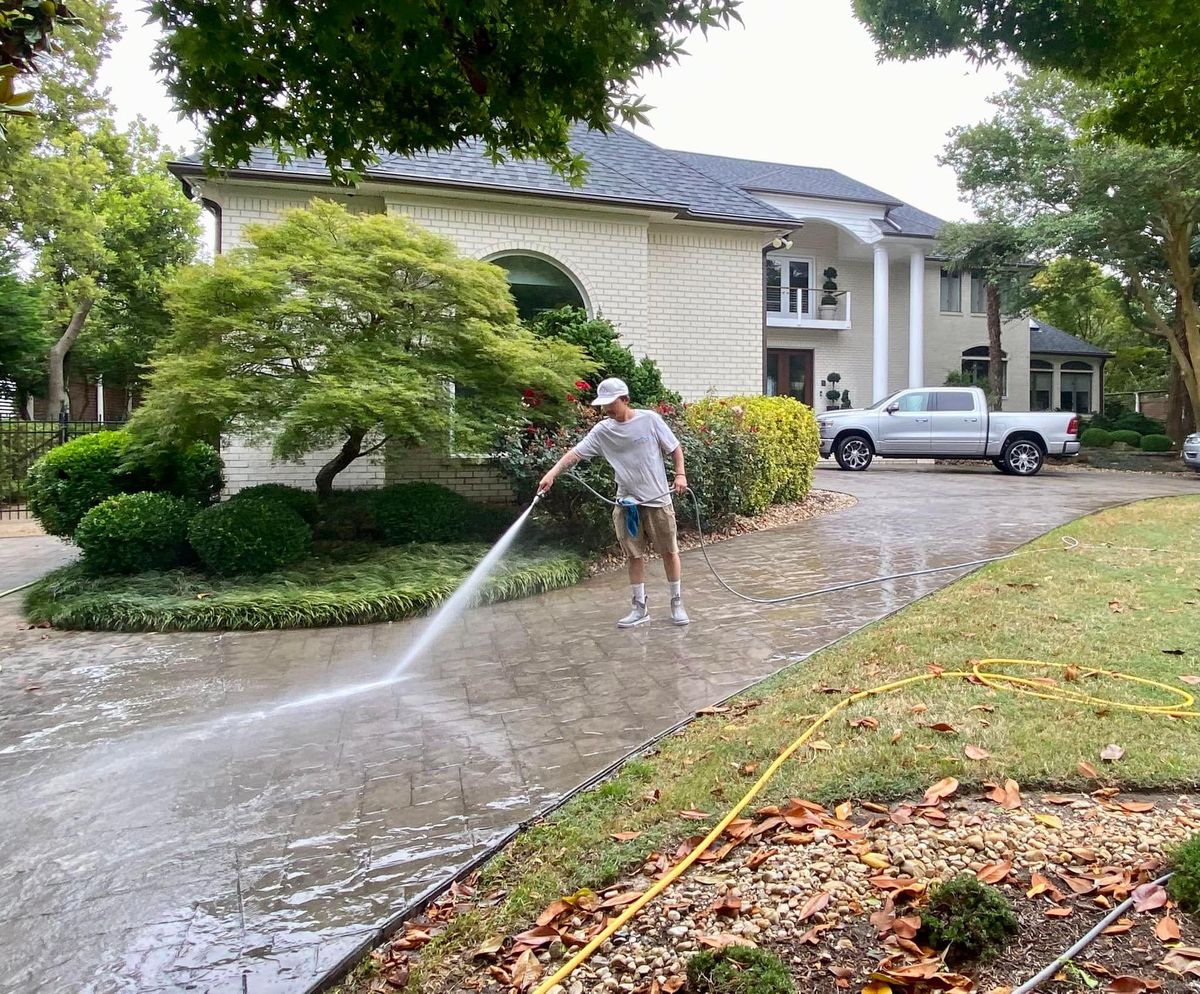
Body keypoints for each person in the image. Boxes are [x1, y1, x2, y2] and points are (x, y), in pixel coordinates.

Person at [538, 377, 690, 628]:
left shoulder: (649, 420)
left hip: (657, 499)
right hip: (627, 503)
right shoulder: (603, 430)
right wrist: (552, 474)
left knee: (669, 551)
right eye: (603, 405)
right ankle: (639, 608)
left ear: (625, 399)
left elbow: (674, 448)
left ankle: (676, 602)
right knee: (633, 555)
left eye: (611, 403)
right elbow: (575, 453)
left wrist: (680, 474)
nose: (606, 409)